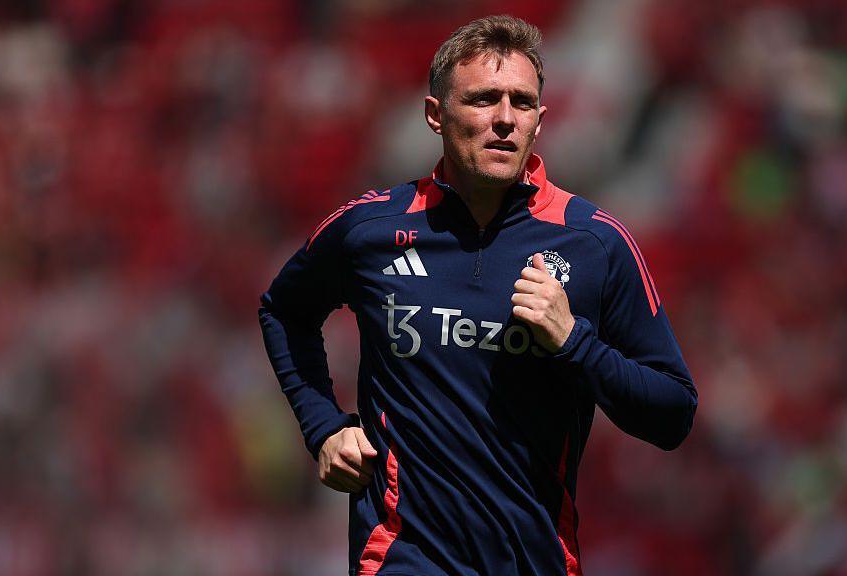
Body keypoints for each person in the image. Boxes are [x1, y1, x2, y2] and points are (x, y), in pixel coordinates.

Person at [258, 14, 697, 576]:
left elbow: (673, 413)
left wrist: (574, 342)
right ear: (435, 115)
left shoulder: (595, 245)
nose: (505, 120)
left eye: (522, 102)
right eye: (485, 99)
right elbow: (285, 311)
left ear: (541, 120)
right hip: (400, 556)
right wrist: (324, 426)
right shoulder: (369, 229)